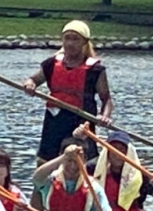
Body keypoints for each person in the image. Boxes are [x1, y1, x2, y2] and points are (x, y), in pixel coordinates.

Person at [23, 20, 113, 165]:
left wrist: (105, 116)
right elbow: (33, 79)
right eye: (67, 38)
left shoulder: (95, 70)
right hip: (54, 123)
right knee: (46, 163)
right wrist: (30, 85)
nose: (70, 43)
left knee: (82, 162)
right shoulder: (51, 64)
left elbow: (106, 99)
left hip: (81, 124)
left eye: (76, 39)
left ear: (84, 42)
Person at [74, 124, 153, 211]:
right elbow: (72, 170)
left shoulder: (139, 174)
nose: (118, 155)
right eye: (114, 150)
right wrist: (78, 140)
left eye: (122, 150)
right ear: (107, 152)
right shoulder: (95, 169)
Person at [29, 138, 122, 211]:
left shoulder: (93, 187)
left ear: (85, 161)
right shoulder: (50, 180)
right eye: (69, 161)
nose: (73, 166)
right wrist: (64, 156)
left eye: (77, 162)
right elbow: (36, 178)